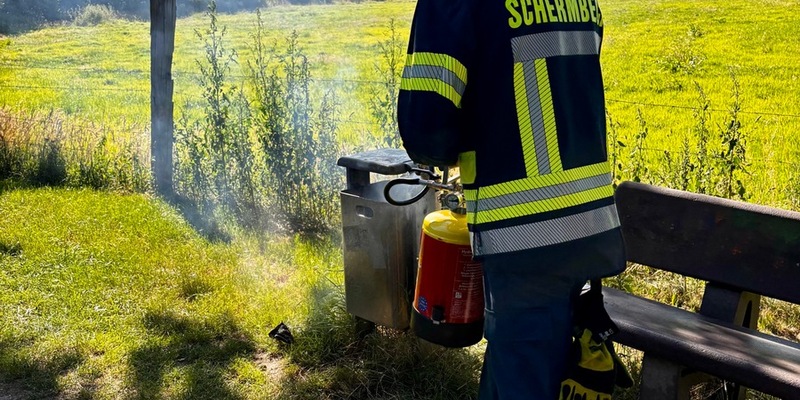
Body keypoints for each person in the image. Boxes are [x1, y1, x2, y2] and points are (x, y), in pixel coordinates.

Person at [397, 0, 626, 398]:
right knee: (536, 365)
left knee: (525, 372)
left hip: (526, 232)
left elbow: (427, 130)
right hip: (589, 221)